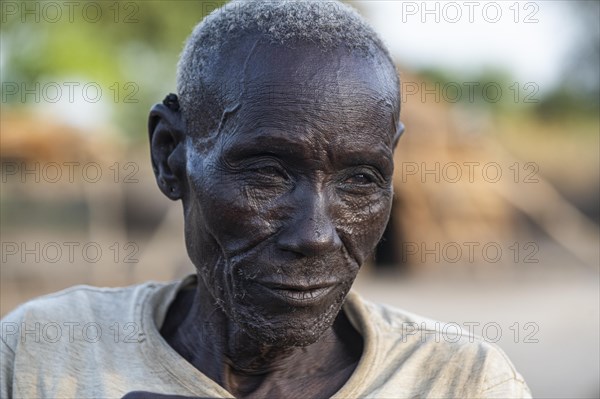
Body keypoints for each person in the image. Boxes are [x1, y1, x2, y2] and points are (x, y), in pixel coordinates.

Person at [0, 1, 532, 398]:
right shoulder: (39, 354)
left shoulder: (463, 380)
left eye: (361, 179)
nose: (316, 235)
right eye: (266, 175)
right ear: (170, 156)